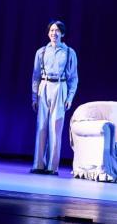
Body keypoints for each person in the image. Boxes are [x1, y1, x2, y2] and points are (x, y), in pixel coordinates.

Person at [30, 20, 78, 175]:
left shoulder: (69, 52)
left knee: (55, 127)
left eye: (57, 30)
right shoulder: (41, 51)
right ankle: (38, 164)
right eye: (51, 30)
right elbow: (36, 76)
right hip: (44, 86)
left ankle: (52, 166)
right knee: (41, 126)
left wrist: (69, 97)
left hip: (60, 86)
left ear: (62, 33)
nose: (54, 33)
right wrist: (34, 97)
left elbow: (73, 78)